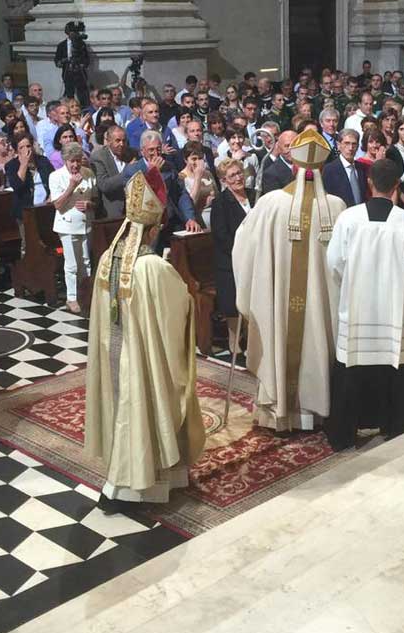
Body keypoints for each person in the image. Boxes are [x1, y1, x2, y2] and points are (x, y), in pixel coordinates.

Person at [84, 168, 205, 511]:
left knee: (125, 412)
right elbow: (177, 308)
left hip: (117, 355)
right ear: (152, 229)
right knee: (147, 408)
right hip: (142, 361)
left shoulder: (109, 258)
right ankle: (136, 489)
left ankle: (127, 482)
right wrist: (187, 300)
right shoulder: (152, 267)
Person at [233, 128, 347, 431]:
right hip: (321, 309)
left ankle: (279, 413)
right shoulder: (337, 208)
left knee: (279, 341)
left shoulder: (270, 204)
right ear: (322, 167)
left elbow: (242, 244)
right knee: (317, 341)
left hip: (278, 304)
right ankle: (314, 411)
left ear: (295, 164)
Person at [325, 157, 404, 450]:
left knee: (352, 369)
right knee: (395, 364)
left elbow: (334, 263)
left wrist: (347, 288)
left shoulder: (348, 219)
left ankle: (346, 433)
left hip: (357, 309)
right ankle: (396, 424)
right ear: (397, 185)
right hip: (394, 313)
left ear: (369, 183)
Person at [211, 159, 255, 355]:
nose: (238, 178)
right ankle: (234, 342)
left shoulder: (254, 196)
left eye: (239, 173)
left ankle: (253, 340)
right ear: (224, 180)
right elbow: (221, 236)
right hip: (231, 262)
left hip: (256, 258)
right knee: (234, 303)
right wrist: (242, 253)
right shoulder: (220, 203)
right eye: (232, 176)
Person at [49, 142, 97, 313]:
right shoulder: (56, 176)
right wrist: (71, 186)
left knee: (86, 261)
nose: (75, 164)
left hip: (86, 224)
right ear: (65, 161)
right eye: (71, 161)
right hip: (67, 226)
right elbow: (58, 205)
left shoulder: (89, 173)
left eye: (77, 160)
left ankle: (87, 293)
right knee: (72, 265)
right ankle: (71, 298)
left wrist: (89, 204)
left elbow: (95, 199)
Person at [90, 125, 132, 218]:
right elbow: (104, 185)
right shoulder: (99, 157)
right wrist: (128, 171)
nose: (122, 144)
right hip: (111, 213)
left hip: (132, 210)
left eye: (124, 141)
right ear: (108, 141)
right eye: (118, 140)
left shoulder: (132, 154)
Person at [322, 128, 367, 207]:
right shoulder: (330, 170)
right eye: (346, 143)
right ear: (338, 145)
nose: (350, 148)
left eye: (354, 144)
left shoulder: (362, 168)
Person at [178, 141, 216, 227]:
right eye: (194, 159)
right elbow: (190, 203)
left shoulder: (208, 174)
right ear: (185, 160)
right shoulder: (181, 177)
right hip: (198, 219)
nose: (198, 162)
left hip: (213, 215)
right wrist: (198, 177)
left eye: (200, 158)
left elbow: (217, 194)